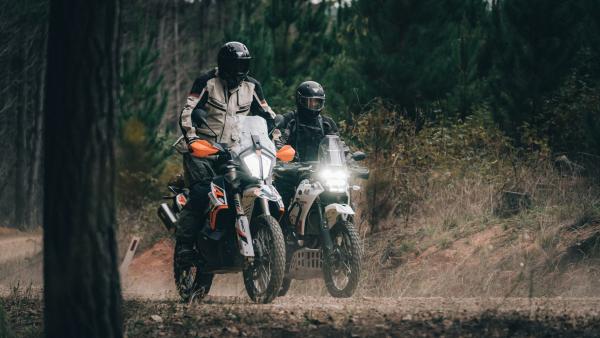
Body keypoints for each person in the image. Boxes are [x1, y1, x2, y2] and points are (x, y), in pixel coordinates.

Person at [176, 41, 275, 269]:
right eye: (236, 66)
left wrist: (275, 137)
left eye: (244, 65)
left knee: (252, 184)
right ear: (225, 65)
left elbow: (267, 115)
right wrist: (193, 140)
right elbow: (188, 113)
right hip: (205, 151)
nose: (240, 71)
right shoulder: (207, 82)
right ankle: (185, 246)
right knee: (202, 191)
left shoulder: (252, 86)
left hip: (237, 152)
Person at [273, 80, 338, 206]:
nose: (313, 105)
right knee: (280, 199)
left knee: (340, 191)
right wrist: (284, 157)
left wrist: (350, 161)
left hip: (320, 172)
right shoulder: (290, 119)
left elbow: (338, 146)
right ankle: (281, 224)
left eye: (317, 102)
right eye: (310, 101)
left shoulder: (327, 123)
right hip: (292, 172)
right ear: (300, 101)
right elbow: (279, 141)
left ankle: (343, 223)